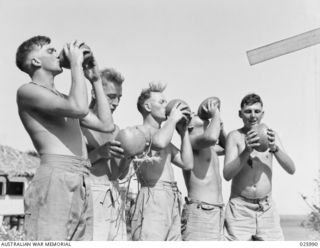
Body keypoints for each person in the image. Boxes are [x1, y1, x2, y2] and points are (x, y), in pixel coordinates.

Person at [16, 36, 114, 240]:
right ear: (36, 62)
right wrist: (77, 63)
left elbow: (106, 125)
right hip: (56, 177)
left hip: (81, 178)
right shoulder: (28, 91)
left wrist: (95, 80)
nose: (57, 53)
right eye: (50, 51)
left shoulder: (63, 99)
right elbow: (78, 108)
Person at [223, 93, 295, 241]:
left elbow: (291, 169)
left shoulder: (271, 135)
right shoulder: (234, 136)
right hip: (240, 210)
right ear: (240, 114)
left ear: (263, 114)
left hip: (267, 209)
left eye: (257, 111)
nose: (253, 115)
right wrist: (246, 151)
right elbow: (227, 174)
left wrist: (274, 148)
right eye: (248, 111)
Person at [130, 82, 193, 241]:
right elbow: (158, 143)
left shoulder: (164, 135)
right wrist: (172, 119)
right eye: (161, 102)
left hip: (172, 197)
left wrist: (183, 132)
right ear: (148, 106)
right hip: (153, 195)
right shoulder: (139, 131)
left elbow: (187, 163)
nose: (166, 105)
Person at [81, 68, 129, 240]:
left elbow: (117, 174)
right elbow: (71, 168)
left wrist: (128, 157)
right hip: (90, 195)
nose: (116, 103)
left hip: (114, 194)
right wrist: (98, 153)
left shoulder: (115, 130)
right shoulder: (79, 123)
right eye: (111, 96)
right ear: (95, 93)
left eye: (119, 97)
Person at [181, 98, 227, 241]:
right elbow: (212, 137)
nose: (198, 114)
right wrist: (215, 114)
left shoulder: (208, 147)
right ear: (189, 127)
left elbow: (226, 148)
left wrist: (220, 126)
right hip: (201, 212)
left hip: (216, 211)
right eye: (194, 115)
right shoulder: (191, 141)